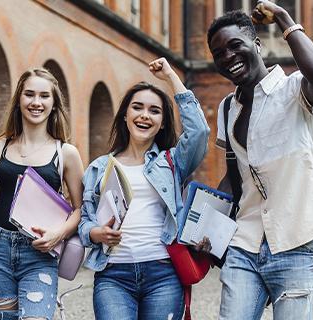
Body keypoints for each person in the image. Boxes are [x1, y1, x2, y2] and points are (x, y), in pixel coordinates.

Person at [207, 1, 313, 319]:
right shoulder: (227, 107)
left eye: (235, 45)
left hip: (295, 239)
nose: (228, 56)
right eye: (219, 53)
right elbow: (235, 177)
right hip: (244, 242)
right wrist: (204, 226)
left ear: (257, 44)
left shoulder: (294, 90)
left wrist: (282, 17)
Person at [78, 58, 209, 320]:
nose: (144, 115)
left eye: (154, 111)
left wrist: (171, 77)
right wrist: (96, 233)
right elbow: (84, 221)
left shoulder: (172, 162)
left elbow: (199, 132)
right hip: (113, 275)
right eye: (137, 107)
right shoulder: (99, 168)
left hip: (163, 273)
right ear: (125, 115)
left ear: (163, 122)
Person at [0, 67, 85, 320]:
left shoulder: (66, 153)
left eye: (44, 96)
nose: (36, 102)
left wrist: (58, 235)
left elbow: (81, 208)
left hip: (40, 253)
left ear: (54, 104)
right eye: (29, 94)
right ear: (19, 100)